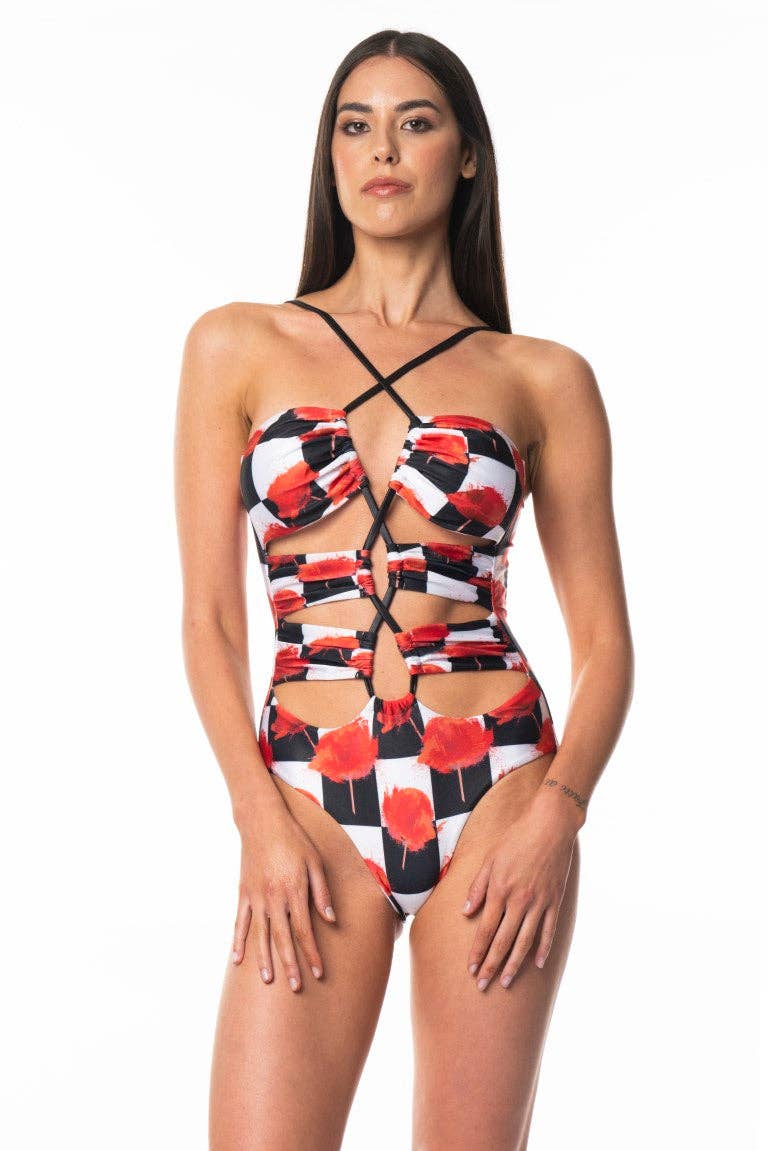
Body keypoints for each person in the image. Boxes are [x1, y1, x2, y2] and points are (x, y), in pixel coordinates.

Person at [174, 28, 634, 1151]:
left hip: (499, 793)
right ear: (329, 154)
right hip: (308, 795)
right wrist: (255, 815)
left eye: (415, 122)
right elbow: (211, 618)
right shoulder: (236, 345)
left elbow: (606, 643)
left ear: (466, 155)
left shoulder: (543, 377)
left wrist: (558, 813)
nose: (382, 149)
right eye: (356, 124)